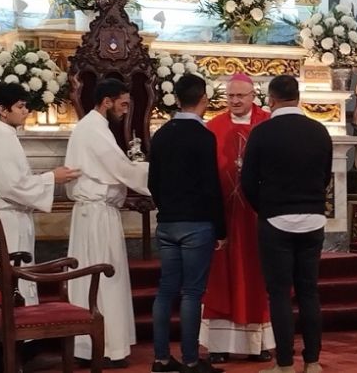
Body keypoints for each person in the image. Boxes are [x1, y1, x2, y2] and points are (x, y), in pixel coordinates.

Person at [0, 82, 80, 341]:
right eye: (20, 106)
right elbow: (12, 185)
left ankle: (12, 342)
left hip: (6, 218)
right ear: (3, 110)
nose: (26, 111)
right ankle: (14, 342)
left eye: (26, 105)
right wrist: (52, 178)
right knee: (10, 284)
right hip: (4, 221)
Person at [241, 75, 333, 373]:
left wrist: (265, 209)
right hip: (313, 218)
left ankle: (283, 364)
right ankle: (313, 361)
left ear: (271, 99)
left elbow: (247, 181)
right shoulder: (320, 131)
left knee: (280, 293)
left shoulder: (262, 132)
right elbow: (326, 176)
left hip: (275, 220)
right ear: (298, 97)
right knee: (309, 292)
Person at [64, 78, 151, 368]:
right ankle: (106, 347)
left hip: (94, 214)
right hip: (98, 215)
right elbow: (121, 169)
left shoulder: (93, 127)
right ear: (106, 101)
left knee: (93, 279)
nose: (126, 110)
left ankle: (88, 345)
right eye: (123, 103)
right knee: (105, 278)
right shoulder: (93, 129)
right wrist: (159, 174)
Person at [149, 74, 226, 373]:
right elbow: (211, 186)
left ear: (177, 99)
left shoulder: (162, 133)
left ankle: (161, 359)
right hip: (196, 223)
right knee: (192, 293)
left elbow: (153, 181)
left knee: (166, 290)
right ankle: (192, 360)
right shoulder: (204, 136)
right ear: (204, 100)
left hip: (167, 222)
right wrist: (220, 229)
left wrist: (166, 208)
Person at [200, 74, 274, 364]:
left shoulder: (267, 124)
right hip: (225, 217)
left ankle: (258, 344)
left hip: (258, 216)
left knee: (258, 277)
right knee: (221, 279)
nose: (235, 101)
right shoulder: (213, 127)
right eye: (230, 96)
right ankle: (218, 344)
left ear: (253, 95)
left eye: (241, 96)